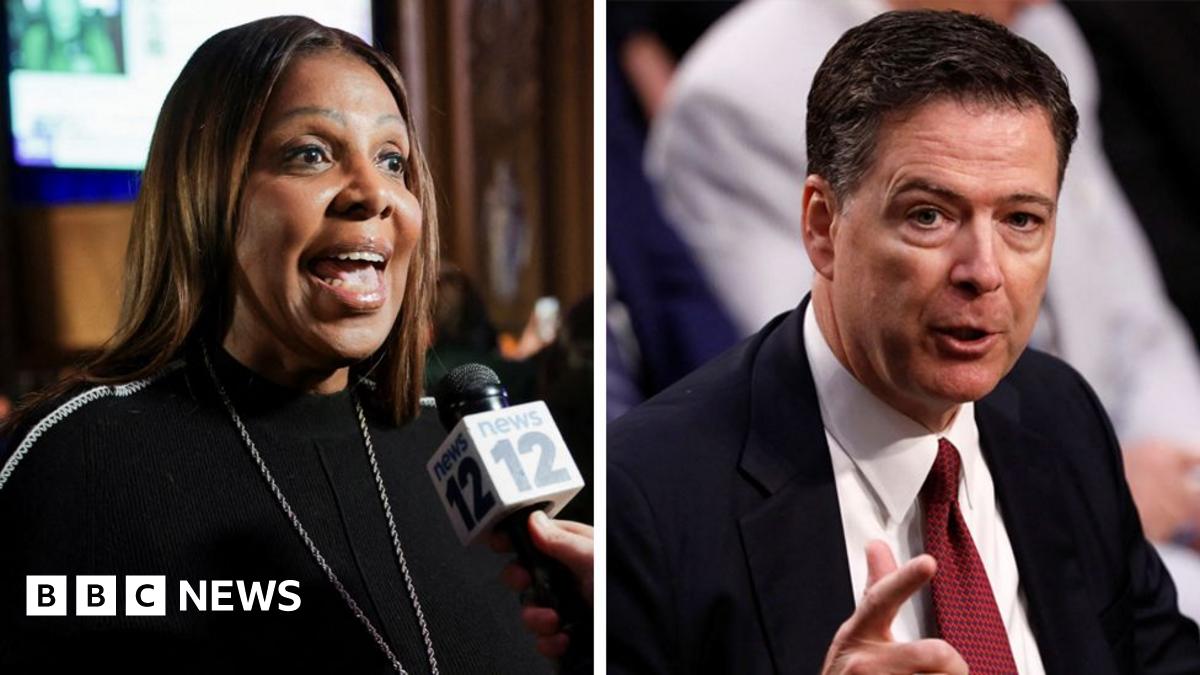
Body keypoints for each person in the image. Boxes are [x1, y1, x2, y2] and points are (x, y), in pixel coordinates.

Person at [609, 9, 1200, 674]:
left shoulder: (1062, 418)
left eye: (1021, 219)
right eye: (929, 215)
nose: (982, 270)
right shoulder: (651, 501)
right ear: (822, 226)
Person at [0, 16, 591, 673]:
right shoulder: (78, 460)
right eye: (311, 152)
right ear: (207, 194)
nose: (372, 194)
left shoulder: (451, 452)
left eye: (392, 160)